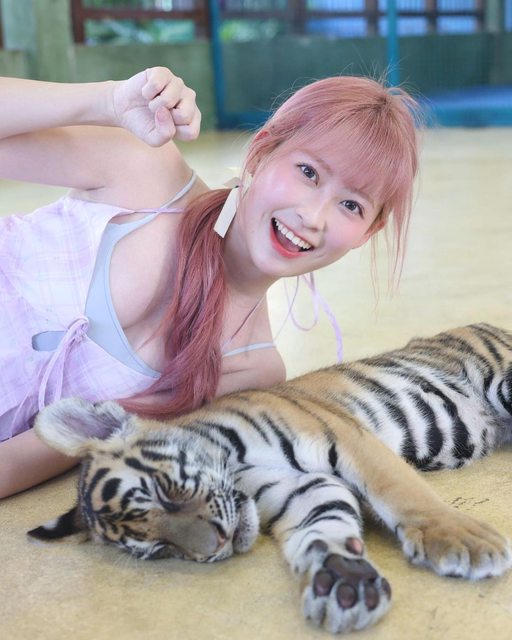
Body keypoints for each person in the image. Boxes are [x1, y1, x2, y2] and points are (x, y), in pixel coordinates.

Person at [0, 66, 419, 498]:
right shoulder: (148, 173)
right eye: (308, 173)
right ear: (262, 151)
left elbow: (34, 456)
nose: (313, 217)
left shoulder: (251, 370)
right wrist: (106, 102)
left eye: (351, 205)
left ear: (368, 231)